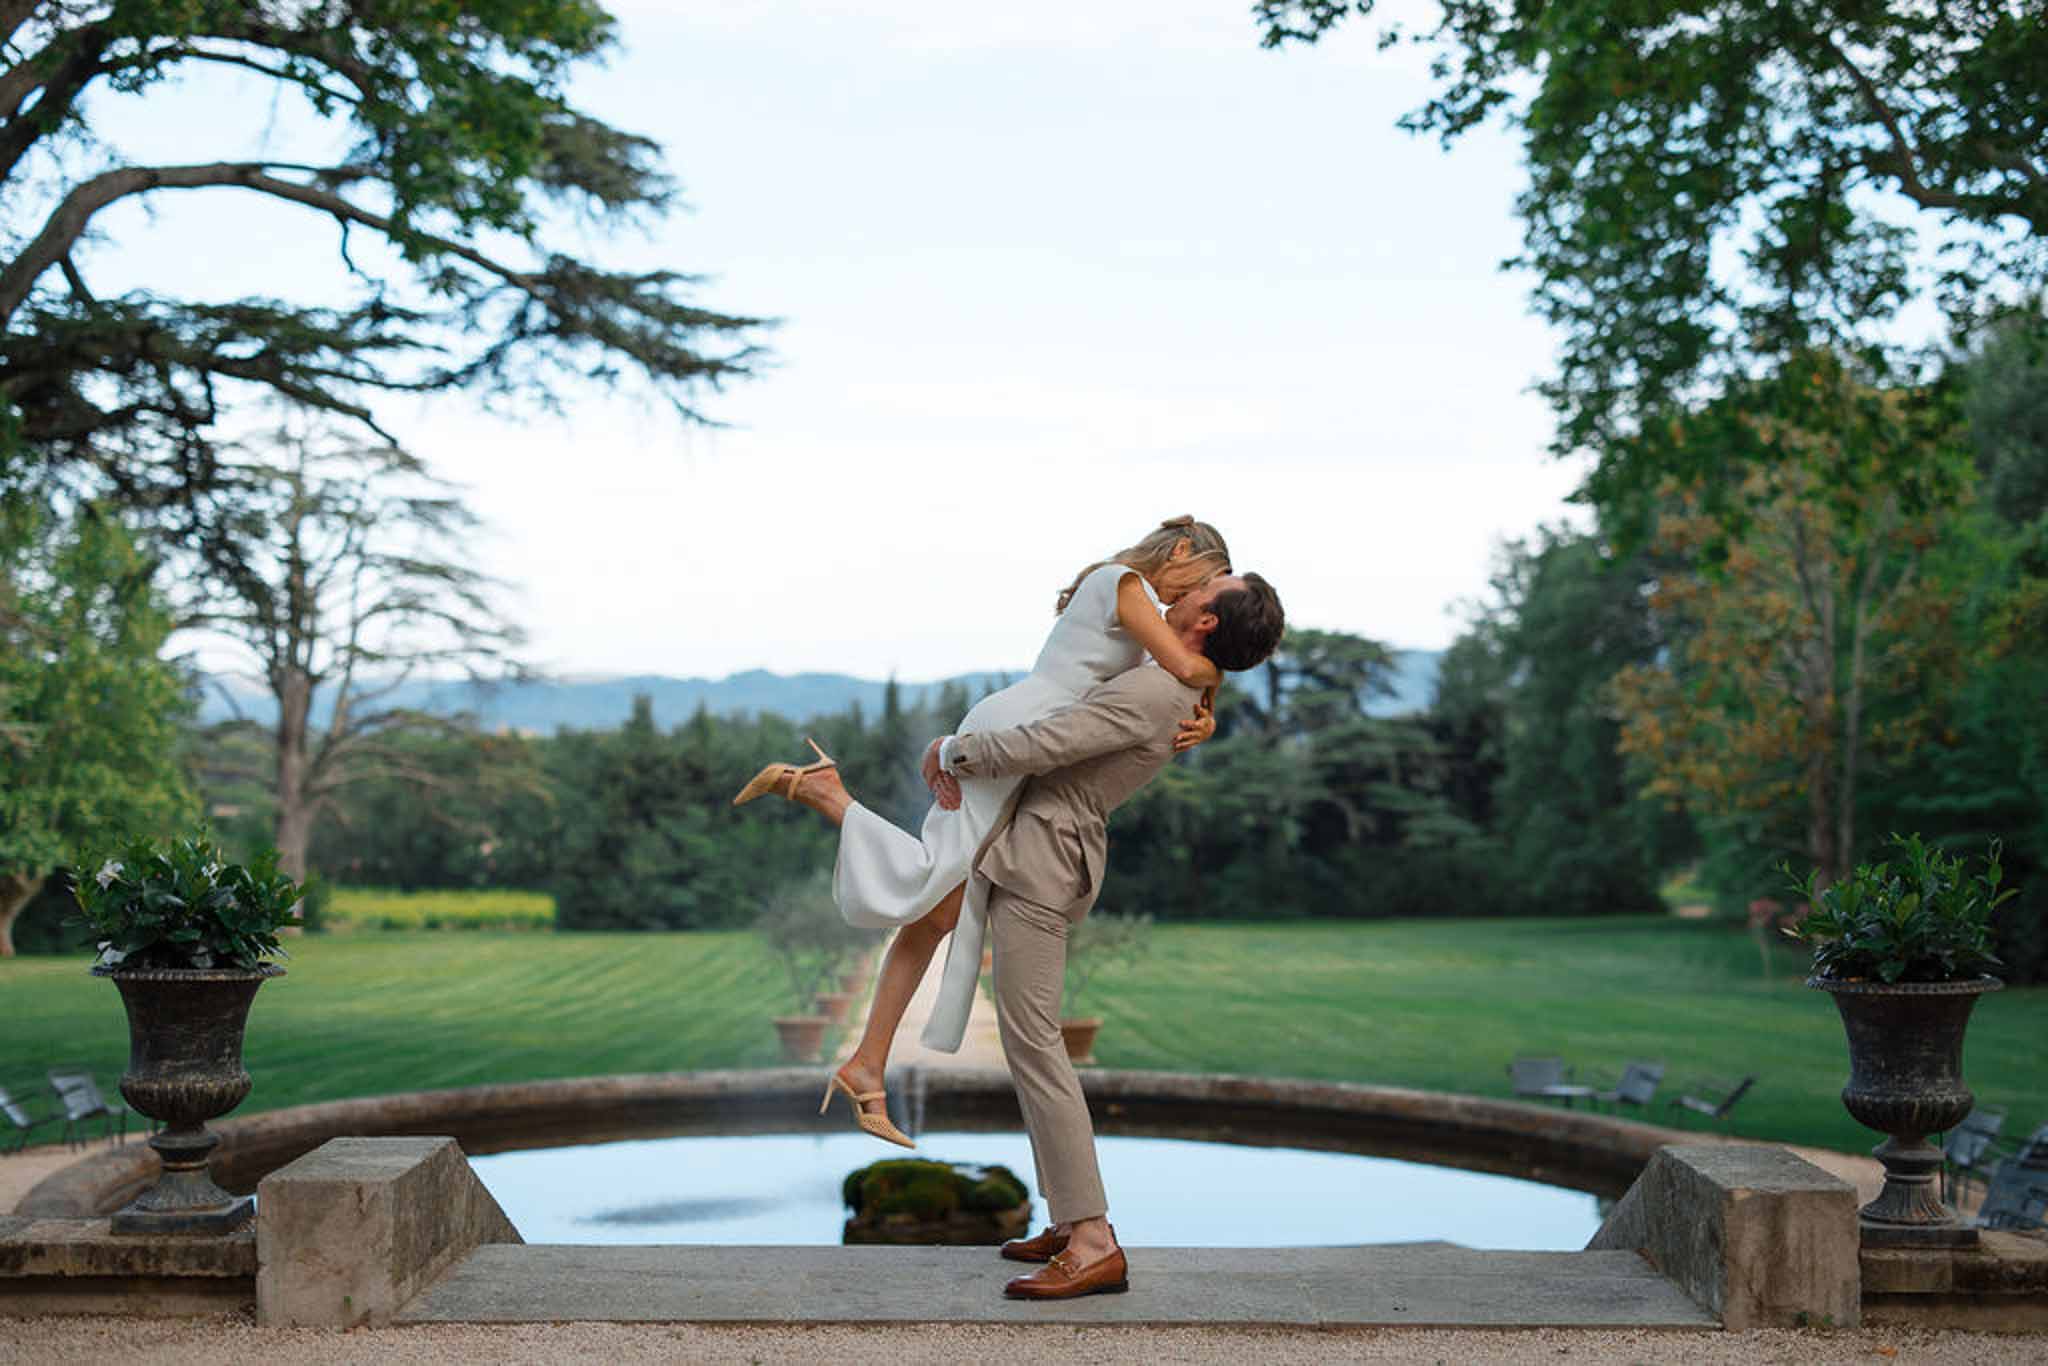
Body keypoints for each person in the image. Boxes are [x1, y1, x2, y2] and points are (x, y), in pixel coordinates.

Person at [732, 517, 1230, 1147]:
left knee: (937, 910)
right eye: (1205, 580)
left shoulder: (1131, 596)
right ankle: (823, 790)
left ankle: (866, 1064)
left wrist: (1205, 715)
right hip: (1018, 733)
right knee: (930, 883)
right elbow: (1188, 663)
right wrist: (1217, 680)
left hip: (1029, 737)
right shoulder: (1123, 582)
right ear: (1181, 552)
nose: (1192, 599)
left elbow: (1173, 678)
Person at [929, 569, 1285, 1299]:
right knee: (1034, 1041)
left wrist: (950, 752)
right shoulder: (1175, 682)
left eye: (1201, 588)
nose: (1178, 593)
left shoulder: (1159, 691)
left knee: (1034, 1042)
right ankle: (1067, 1222)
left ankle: (1092, 1239)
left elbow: (1054, 741)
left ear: (1207, 621)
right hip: (1047, 849)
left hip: (1043, 858)